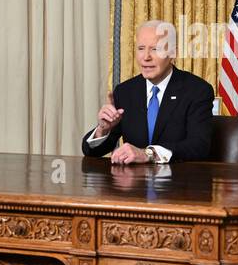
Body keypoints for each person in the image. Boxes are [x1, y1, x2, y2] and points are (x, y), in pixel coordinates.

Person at [82, 20, 214, 163]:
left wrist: (149, 154)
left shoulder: (197, 90)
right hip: (133, 182)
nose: (146, 57)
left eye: (155, 49)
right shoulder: (125, 91)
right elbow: (92, 152)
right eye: (141, 48)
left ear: (173, 52)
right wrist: (103, 129)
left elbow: (199, 146)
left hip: (178, 181)